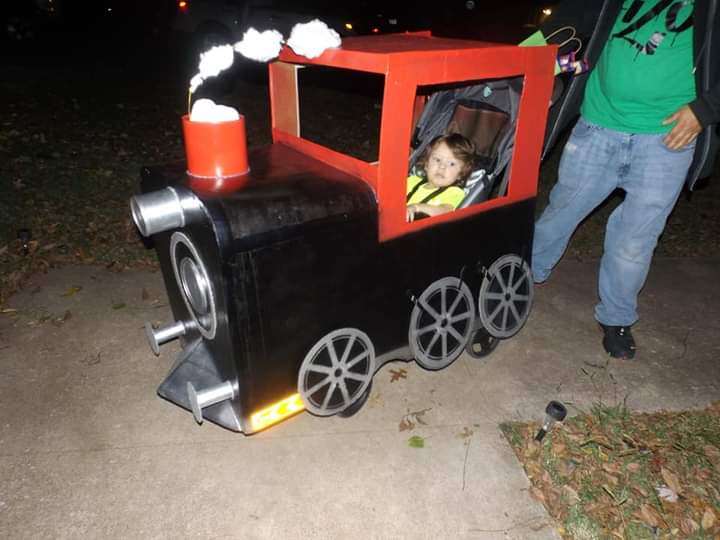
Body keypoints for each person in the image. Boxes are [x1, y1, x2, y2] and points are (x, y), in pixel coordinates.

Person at [533, 0, 720, 359]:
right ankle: (523, 278)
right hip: (597, 125)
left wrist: (706, 109)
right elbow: (562, 22)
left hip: (666, 140)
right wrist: (511, 58)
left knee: (635, 238)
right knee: (560, 211)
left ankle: (616, 317)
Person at [406, 133, 475, 222]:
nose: (442, 166)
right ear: (426, 164)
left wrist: (416, 208)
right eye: (438, 160)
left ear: (460, 174)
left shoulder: (454, 192)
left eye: (452, 164)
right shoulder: (412, 181)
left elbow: (445, 210)